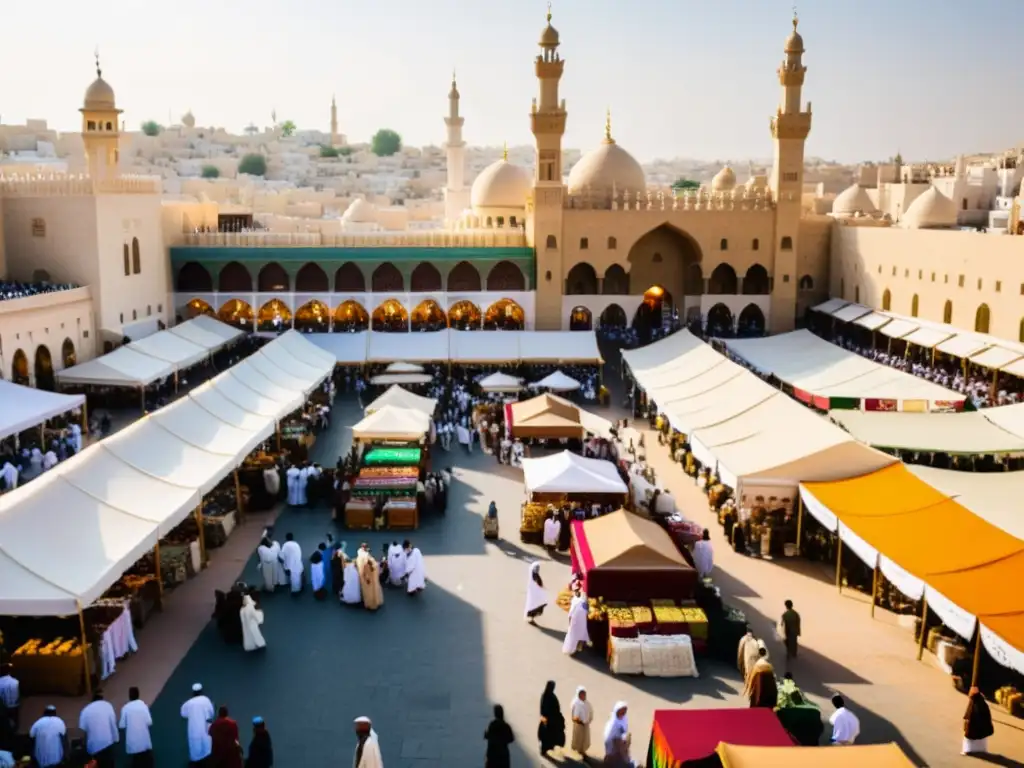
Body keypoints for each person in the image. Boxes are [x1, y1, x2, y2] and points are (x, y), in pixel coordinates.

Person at [78, 691, 119, 768]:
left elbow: (83, 731)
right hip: (108, 743)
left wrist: (85, 746)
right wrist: (116, 738)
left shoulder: (85, 710)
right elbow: (113, 724)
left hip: (94, 747)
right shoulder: (108, 705)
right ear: (102, 699)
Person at [118, 687, 153, 768]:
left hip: (133, 745)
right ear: (138, 695)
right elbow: (149, 722)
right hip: (144, 743)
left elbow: (121, 725)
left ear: (129, 696)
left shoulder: (125, 708)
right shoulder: (143, 705)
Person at [180, 683, 215, 764]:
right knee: (207, 751)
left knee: (195, 753)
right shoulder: (206, 700)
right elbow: (211, 713)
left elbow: (183, 713)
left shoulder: (188, 703)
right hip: (205, 729)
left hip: (193, 731)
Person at [962, 687, 994, 755]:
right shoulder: (980, 702)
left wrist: (967, 718)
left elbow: (971, 713)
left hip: (975, 725)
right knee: (979, 737)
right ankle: (978, 749)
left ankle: (969, 750)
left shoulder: (977, 702)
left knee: (972, 736)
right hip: (980, 726)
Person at [538, 681, 565, 757]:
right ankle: (544, 750)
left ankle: (548, 747)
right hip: (547, 720)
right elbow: (543, 709)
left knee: (550, 735)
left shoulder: (549, 696)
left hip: (552, 720)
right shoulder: (546, 696)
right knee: (546, 736)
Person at [562, 586, 591, 655]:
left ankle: (574, 649)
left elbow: (570, 614)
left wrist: (569, 623)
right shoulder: (581, 601)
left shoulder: (576, 601)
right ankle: (574, 649)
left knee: (574, 636)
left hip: (576, 622)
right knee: (578, 635)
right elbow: (586, 611)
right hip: (579, 621)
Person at [602, 701, 631, 767]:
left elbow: (625, 729)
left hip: (620, 741)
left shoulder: (624, 718)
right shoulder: (613, 723)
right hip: (613, 742)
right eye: (622, 710)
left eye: (625, 710)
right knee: (611, 757)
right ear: (617, 710)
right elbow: (610, 736)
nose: (624, 711)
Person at [358, 544, 384, 611]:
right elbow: (368, 567)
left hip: (367, 577)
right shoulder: (366, 557)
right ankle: (372, 605)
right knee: (371, 591)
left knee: (368, 591)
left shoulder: (361, 556)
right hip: (369, 577)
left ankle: (370, 603)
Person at [570, 686, 593, 759]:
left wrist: (589, 720)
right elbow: (574, 715)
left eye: (584, 694)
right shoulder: (576, 703)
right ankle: (576, 751)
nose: (583, 695)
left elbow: (590, 711)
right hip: (579, 725)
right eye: (581, 694)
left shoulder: (587, 703)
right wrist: (580, 722)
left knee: (585, 738)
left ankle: (583, 751)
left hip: (585, 724)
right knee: (578, 738)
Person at [0, 665, 18, 733]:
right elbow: (16, 695)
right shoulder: (15, 681)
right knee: (14, 723)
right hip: (13, 705)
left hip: (3, 707)